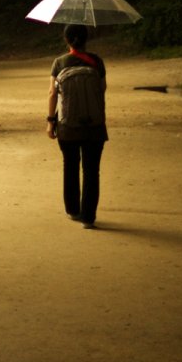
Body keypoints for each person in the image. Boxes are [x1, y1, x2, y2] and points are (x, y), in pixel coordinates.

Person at [46, 24, 107, 228]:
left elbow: (52, 94)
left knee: (70, 166)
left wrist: (50, 122)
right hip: (95, 125)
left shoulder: (59, 62)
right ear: (86, 39)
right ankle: (88, 218)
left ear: (66, 40)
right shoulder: (97, 62)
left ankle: (73, 210)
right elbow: (102, 89)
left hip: (67, 126)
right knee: (92, 171)